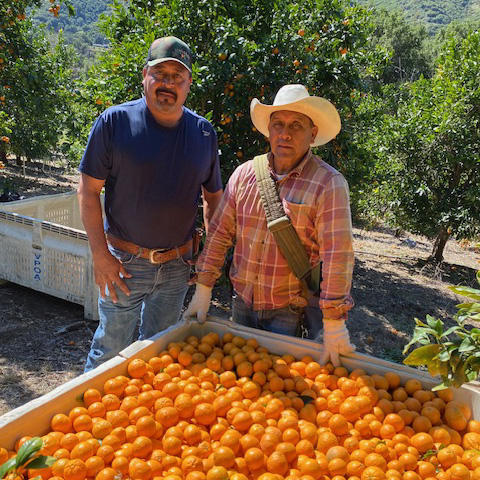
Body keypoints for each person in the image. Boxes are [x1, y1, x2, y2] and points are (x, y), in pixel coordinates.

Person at [78, 36, 223, 371]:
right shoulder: (115, 123)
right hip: (124, 264)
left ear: (188, 84)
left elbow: (214, 198)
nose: (167, 83)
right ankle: (92, 418)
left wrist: (207, 254)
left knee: (160, 354)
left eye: (177, 76)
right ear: (144, 76)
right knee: (108, 355)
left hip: (177, 266)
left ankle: (143, 419)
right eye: (160, 74)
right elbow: (87, 192)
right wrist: (100, 256)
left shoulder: (203, 133)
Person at [184, 84, 355, 367]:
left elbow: (338, 256)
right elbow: (219, 234)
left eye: (296, 125)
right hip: (241, 306)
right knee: (240, 388)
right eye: (278, 124)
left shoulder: (328, 183)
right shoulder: (245, 175)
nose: (285, 133)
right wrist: (204, 289)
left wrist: (333, 320)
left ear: (312, 134)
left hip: (289, 312)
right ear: (269, 130)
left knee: (280, 396)